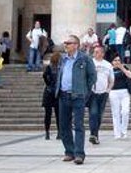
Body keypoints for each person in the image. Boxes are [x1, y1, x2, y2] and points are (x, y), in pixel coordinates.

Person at [58, 34, 96, 164]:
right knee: (63, 125)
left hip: (78, 95)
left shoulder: (84, 59)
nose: (65, 45)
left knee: (78, 125)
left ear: (75, 45)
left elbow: (92, 76)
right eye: (65, 43)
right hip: (63, 95)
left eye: (68, 43)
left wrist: (85, 91)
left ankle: (79, 154)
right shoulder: (63, 59)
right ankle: (69, 151)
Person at [89, 45, 113, 144]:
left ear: (102, 53)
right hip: (92, 92)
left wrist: (108, 90)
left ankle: (95, 134)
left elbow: (111, 80)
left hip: (103, 93)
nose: (95, 53)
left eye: (97, 52)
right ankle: (93, 134)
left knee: (99, 115)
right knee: (93, 113)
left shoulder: (108, 65)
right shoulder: (90, 63)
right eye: (94, 51)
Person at [109, 55, 131, 139]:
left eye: (119, 60)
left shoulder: (124, 68)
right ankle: (117, 133)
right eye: (115, 60)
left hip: (124, 92)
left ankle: (124, 131)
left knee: (125, 111)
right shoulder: (109, 69)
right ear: (112, 62)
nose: (117, 62)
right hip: (113, 92)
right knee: (115, 113)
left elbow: (130, 76)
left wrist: (122, 68)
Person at [42, 52, 60, 140]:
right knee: (58, 114)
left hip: (48, 92)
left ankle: (47, 132)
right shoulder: (59, 68)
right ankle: (59, 132)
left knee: (48, 114)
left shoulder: (49, 67)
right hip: (56, 92)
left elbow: (44, 76)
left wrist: (48, 84)